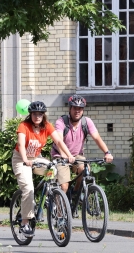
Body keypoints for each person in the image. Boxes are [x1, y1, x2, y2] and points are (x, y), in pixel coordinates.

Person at [12, 101, 75, 237]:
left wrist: (69, 156)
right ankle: (24, 223)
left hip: (35, 157)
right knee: (28, 189)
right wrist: (25, 159)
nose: (37, 116)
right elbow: (21, 145)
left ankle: (49, 195)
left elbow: (58, 141)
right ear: (30, 114)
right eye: (35, 114)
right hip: (21, 159)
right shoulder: (24, 126)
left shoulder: (46, 126)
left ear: (43, 115)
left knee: (54, 169)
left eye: (40, 114)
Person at [51, 94, 113, 197]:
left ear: (83, 110)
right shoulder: (61, 122)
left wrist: (107, 153)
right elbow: (58, 141)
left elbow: (97, 138)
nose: (77, 111)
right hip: (60, 156)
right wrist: (64, 155)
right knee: (64, 186)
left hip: (77, 155)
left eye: (80, 109)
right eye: (75, 108)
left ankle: (75, 192)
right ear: (70, 109)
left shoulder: (86, 122)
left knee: (85, 170)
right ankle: (59, 212)